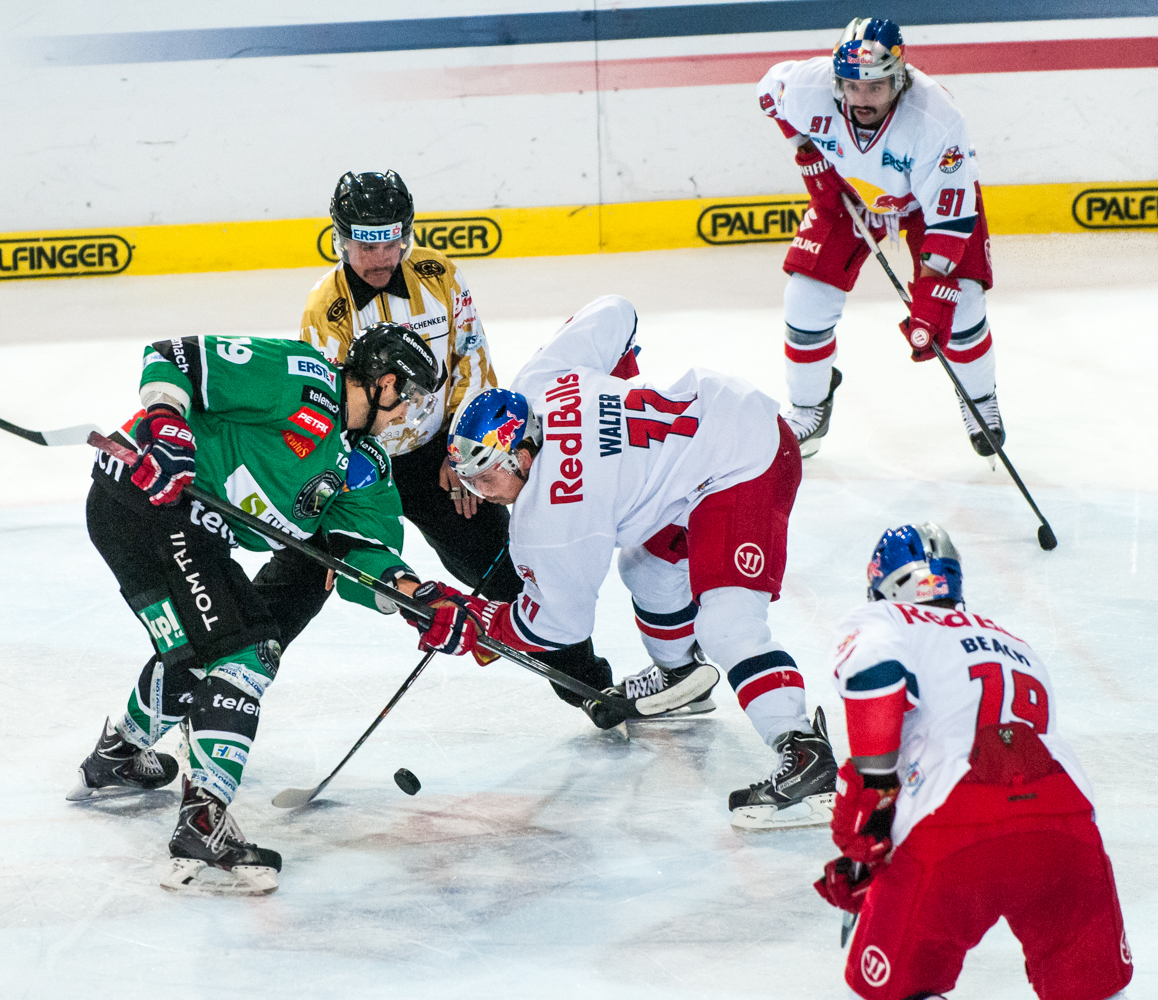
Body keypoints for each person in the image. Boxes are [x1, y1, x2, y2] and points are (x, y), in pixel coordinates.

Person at [405, 295, 839, 829]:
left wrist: (474, 623)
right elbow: (616, 311)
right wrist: (620, 390)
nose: (478, 492)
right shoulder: (536, 384)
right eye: (465, 476)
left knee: (728, 623)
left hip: (747, 459)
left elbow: (560, 625)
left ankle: (803, 748)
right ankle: (681, 674)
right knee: (648, 568)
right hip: (712, 422)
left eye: (485, 477)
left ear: (521, 457)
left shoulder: (552, 519)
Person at [68, 325, 437, 895]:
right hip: (148, 503)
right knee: (246, 651)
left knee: (196, 653)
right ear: (385, 382)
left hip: (174, 527)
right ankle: (203, 822)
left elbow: (361, 550)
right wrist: (167, 427)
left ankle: (117, 754)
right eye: (409, 395)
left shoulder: (364, 463)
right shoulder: (303, 377)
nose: (409, 412)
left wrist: (409, 593)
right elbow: (172, 356)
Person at [817, 524, 1132, 1000]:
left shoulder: (888, 620)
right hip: (1066, 821)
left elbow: (874, 677)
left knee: (897, 990)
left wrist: (873, 800)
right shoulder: (1012, 640)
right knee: (1091, 989)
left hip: (955, 826)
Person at [260, 170, 518, 645]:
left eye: (391, 244)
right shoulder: (325, 307)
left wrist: (466, 460)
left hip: (440, 460)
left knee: (507, 576)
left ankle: (593, 687)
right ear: (340, 241)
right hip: (359, 467)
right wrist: (348, 485)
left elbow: (472, 360)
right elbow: (328, 410)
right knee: (299, 580)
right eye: (366, 247)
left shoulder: (439, 276)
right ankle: (220, 674)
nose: (380, 259)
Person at [757, 18, 1002, 461]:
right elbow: (767, 91)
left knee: (961, 306)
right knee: (805, 298)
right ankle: (809, 408)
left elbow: (948, 223)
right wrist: (805, 150)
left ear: (899, 78)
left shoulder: (935, 118)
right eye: (852, 86)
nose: (862, 99)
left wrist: (931, 293)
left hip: (931, 207)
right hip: (854, 195)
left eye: (875, 86)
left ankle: (980, 401)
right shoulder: (809, 87)